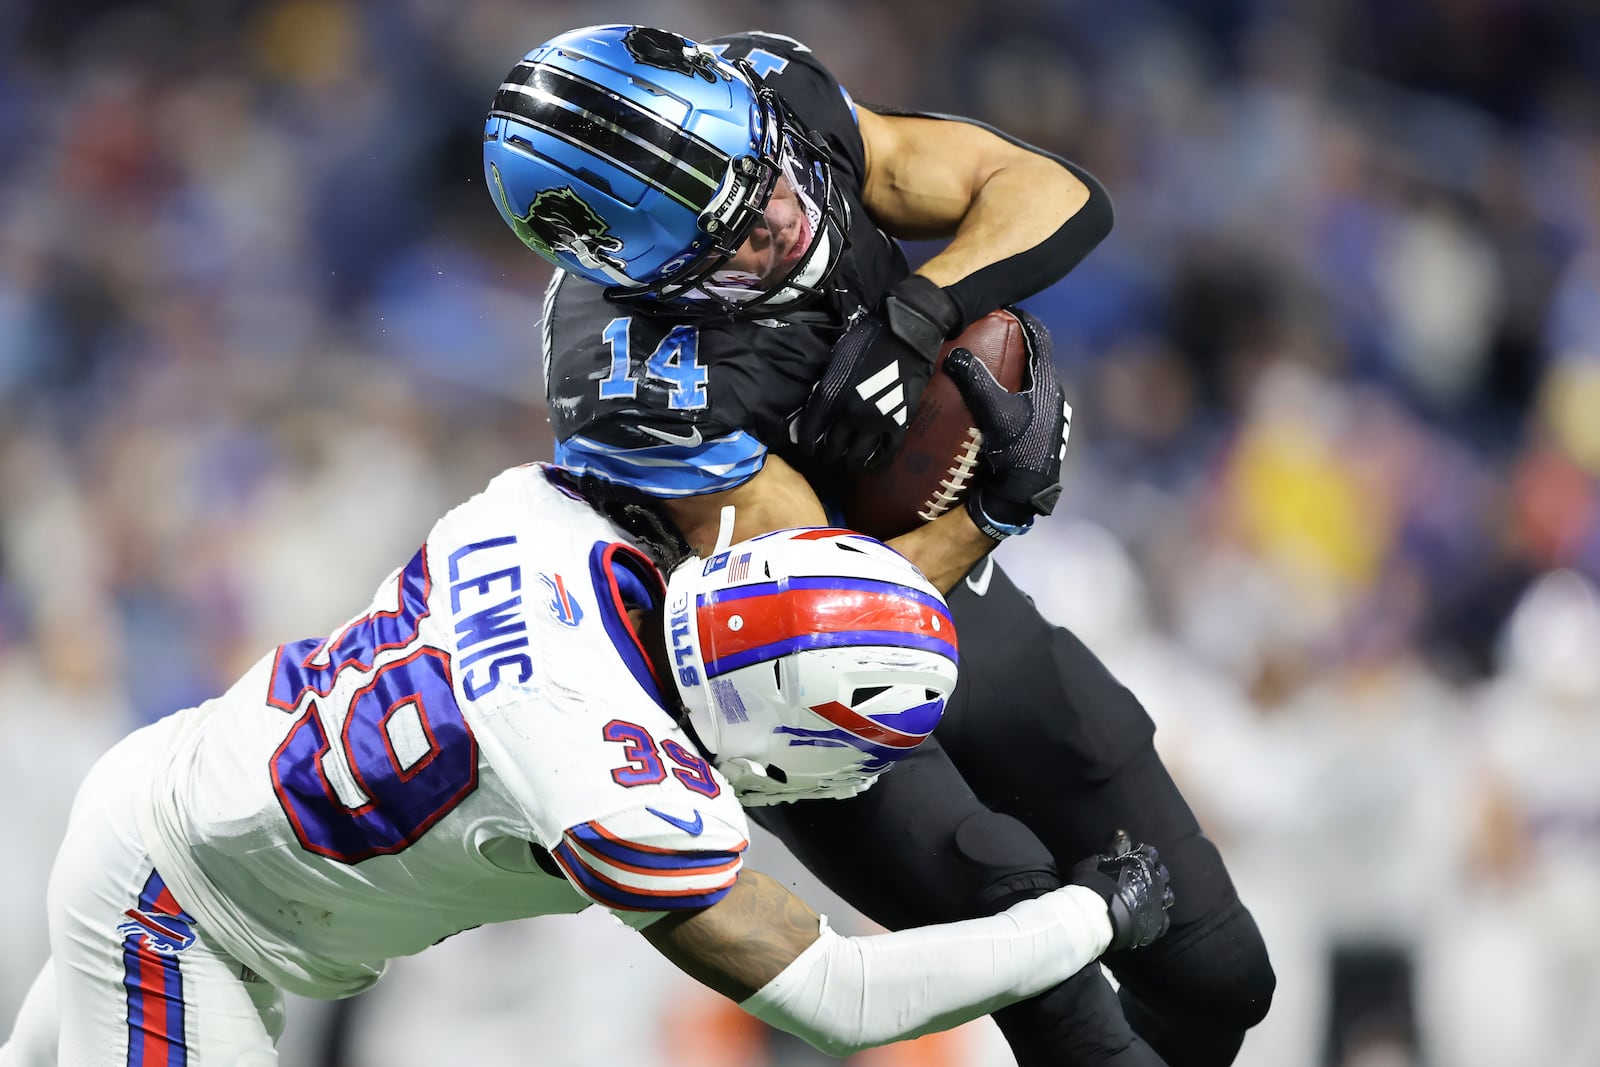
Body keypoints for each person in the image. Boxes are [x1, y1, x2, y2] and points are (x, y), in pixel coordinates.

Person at [484, 24, 1275, 1067]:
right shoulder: (635, 378)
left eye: (762, 171)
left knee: (1222, 973)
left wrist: (917, 311)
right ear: (646, 275)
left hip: (942, 599)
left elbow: (1040, 186)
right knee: (1023, 917)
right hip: (784, 695)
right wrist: (987, 510)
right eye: (735, 232)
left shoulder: (776, 93)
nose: (783, 212)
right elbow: (825, 628)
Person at [0, 461, 1174, 1066]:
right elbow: (843, 999)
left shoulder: (555, 518)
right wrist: (1090, 916)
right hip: (181, 910)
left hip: (188, 805)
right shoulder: (625, 789)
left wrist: (978, 520)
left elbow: (807, 595)